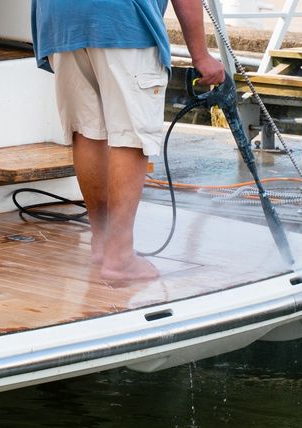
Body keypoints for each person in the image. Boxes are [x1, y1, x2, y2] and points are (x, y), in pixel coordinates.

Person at [32, 0, 225, 281]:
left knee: (88, 131)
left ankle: (102, 244)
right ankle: (119, 256)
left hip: (59, 19)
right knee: (131, 137)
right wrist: (201, 56)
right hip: (122, 19)